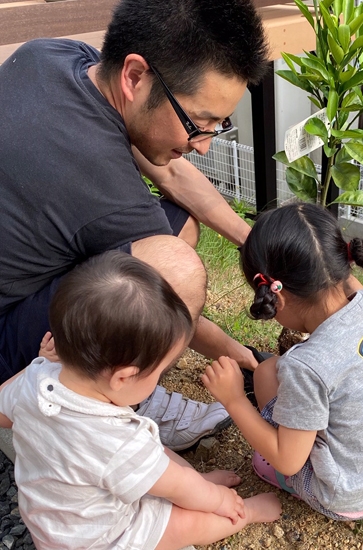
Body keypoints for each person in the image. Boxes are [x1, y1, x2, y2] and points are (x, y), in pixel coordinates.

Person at [0, 0, 269, 448]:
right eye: (197, 124)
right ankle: (116, 405)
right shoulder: (93, 175)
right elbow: (166, 292)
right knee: (174, 267)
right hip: (6, 343)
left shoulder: (53, 56)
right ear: (135, 76)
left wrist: (251, 240)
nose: (202, 146)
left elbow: (168, 171)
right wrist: (245, 361)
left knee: (176, 229)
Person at [0, 252, 281, 550]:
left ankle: (201, 481)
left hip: (51, 529)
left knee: (153, 454)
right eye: (159, 371)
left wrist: (40, 365)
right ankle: (247, 513)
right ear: (122, 378)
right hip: (105, 540)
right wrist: (219, 500)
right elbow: (176, 486)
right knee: (186, 523)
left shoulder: (34, 380)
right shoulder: (116, 440)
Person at [202, 203, 363, 520]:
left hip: (350, 497)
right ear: (343, 263)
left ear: (277, 298)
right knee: (274, 370)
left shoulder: (306, 367)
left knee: (265, 375)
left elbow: (288, 461)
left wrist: (233, 400)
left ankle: (284, 474)